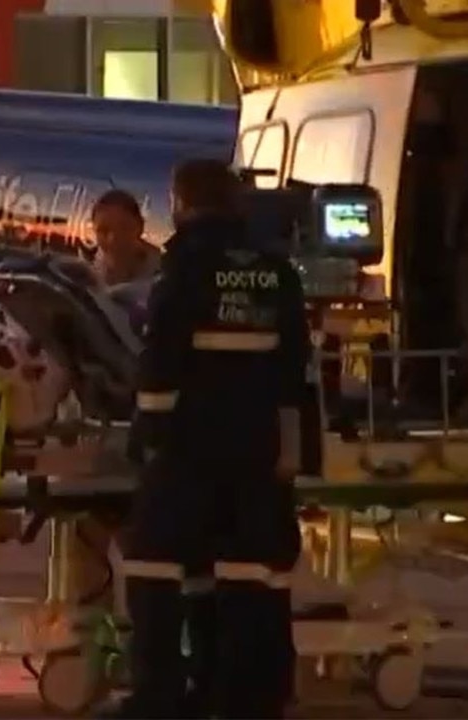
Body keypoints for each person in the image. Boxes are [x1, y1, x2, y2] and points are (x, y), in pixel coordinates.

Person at [115, 159, 309, 719]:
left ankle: (160, 694)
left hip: (189, 448)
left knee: (154, 560)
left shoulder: (185, 270)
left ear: (179, 201)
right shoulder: (277, 272)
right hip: (258, 450)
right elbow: (297, 369)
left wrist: (146, 438)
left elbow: (161, 366)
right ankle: (248, 691)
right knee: (249, 569)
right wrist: (291, 449)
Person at [92, 189, 161, 287]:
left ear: (140, 227)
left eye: (123, 228)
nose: (112, 239)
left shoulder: (166, 277)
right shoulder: (93, 266)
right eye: (103, 231)